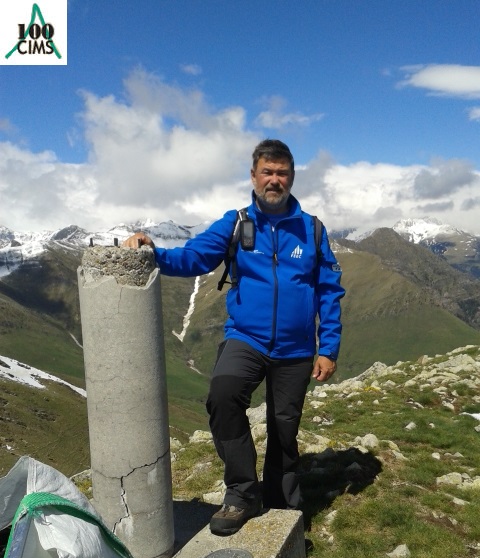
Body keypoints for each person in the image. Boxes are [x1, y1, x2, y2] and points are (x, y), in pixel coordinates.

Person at [123, 139, 344, 536]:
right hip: (247, 337)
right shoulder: (236, 222)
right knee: (222, 396)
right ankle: (241, 492)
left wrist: (327, 347)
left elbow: (329, 289)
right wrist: (155, 252)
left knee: (284, 427)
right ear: (254, 176)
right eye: (267, 172)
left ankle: (281, 504)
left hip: (296, 350)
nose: (274, 180)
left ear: (291, 177)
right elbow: (195, 257)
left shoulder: (312, 229)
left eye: (282, 173)